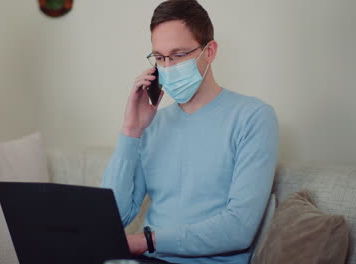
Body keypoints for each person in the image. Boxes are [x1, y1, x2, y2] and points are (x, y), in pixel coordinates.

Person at [101, 0, 279, 263]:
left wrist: (146, 241)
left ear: (210, 51)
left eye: (179, 54)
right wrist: (131, 131)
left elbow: (239, 228)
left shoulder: (253, 117)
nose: (169, 66)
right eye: (160, 57)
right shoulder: (152, 125)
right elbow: (112, 219)